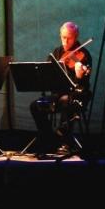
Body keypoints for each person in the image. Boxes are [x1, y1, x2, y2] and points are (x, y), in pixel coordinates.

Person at [30, 21, 92, 154]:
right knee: (35, 106)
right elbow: (46, 72)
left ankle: (65, 141)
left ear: (76, 37)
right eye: (63, 37)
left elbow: (83, 84)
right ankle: (49, 138)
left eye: (69, 38)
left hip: (77, 96)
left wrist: (79, 75)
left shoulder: (83, 55)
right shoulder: (57, 52)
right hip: (57, 94)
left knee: (66, 100)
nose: (66, 41)